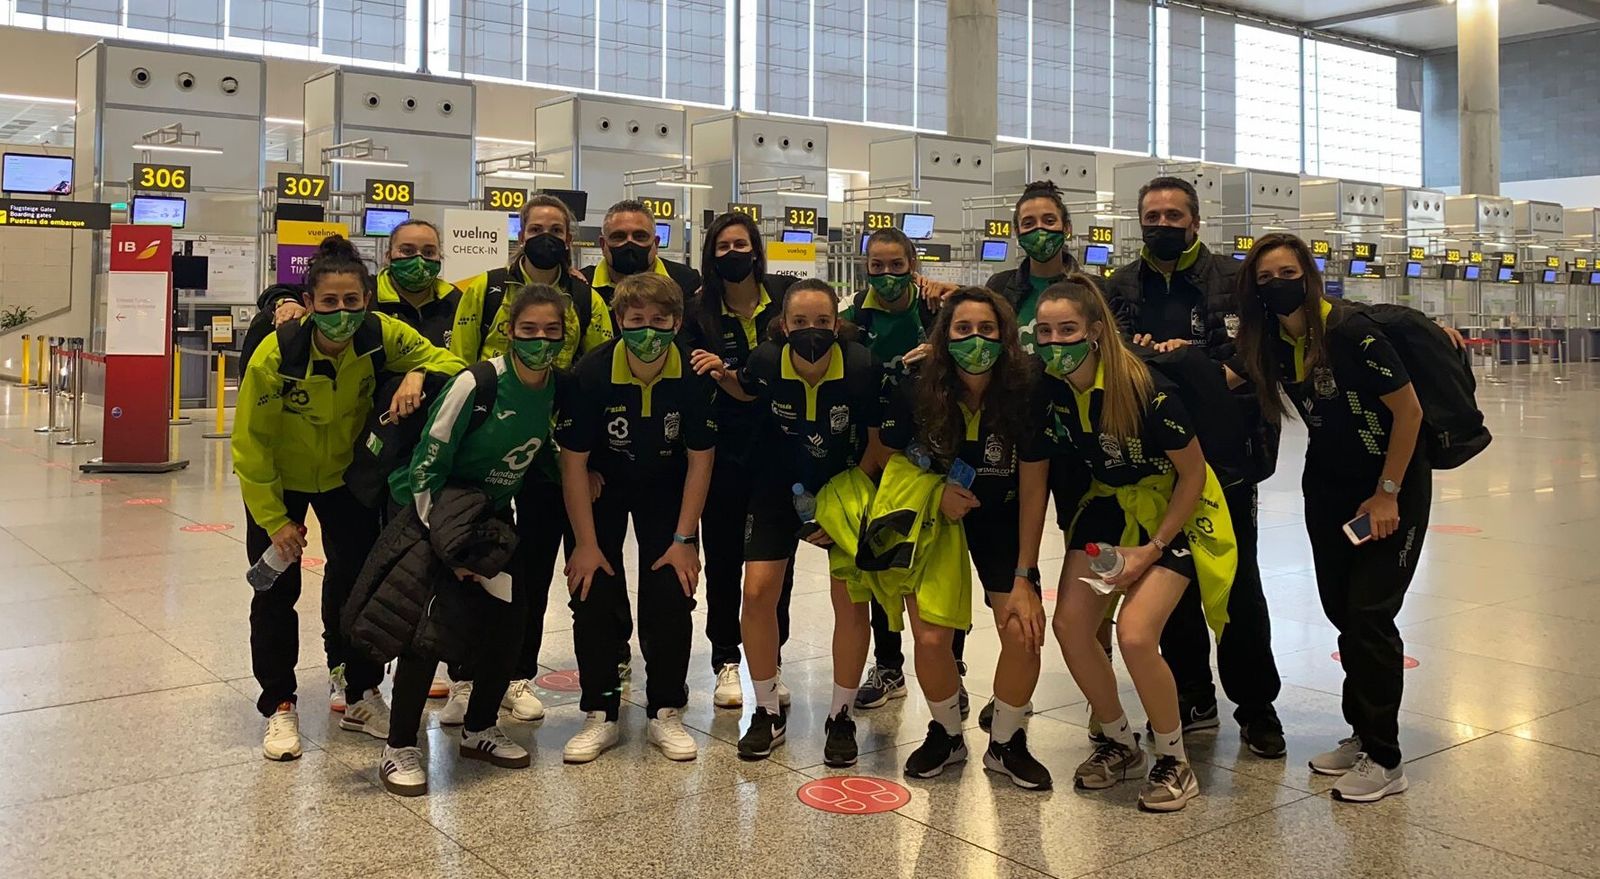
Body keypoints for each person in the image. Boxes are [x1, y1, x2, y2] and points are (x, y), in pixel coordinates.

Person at [234, 235, 467, 761]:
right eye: (330, 303)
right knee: (274, 591)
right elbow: (251, 445)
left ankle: (359, 691)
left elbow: (451, 365)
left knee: (357, 584)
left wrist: (417, 371)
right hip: (281, 482)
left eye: (352, 302)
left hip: (346, 480)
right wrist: (275, 521)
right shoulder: (279, 352)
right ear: (310, 303)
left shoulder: (380, 333)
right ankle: (280, 706)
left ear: (367, 300)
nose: (342, 314)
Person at [1230, 233, 1428, 804]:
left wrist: (1388, 492)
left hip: (1389, 490)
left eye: (1286, 272)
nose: (1276, 285)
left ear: (1308, 275)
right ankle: (1361, 734)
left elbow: (1408, 410)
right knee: (1342, 610)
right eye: (1264, 278)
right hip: (1328, 490)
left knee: (1370, 614)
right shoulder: (1270, 342)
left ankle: (1386, 759)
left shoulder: (1349, 331)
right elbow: (1222, 380)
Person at [1103, 175, 1285, 756]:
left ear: (1196, 223)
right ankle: (1193, 694)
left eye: (1174, 216)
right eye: (1151, 216)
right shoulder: (1121, 285)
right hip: (1158, 460)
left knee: (1236, 583)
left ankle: (1256, 706)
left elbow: (1263, 351)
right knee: (1169, 582)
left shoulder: (1234, 281)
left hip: (1227, 455)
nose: (1162, 225)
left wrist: (1194, 369)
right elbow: (1112, 353)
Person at [1036, 274, 1231, 813]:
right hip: (1106, 507)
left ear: (1096, 332)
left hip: (1174, 513)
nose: (1055, 342)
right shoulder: (1052, 387)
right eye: (1045, 332)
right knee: (1071, 626)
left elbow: (1193, 476)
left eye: (1068, 330)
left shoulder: (1147, 389)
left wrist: (1153, 549)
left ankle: (1174, 757)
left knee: (1138, 634)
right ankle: (1120, 742)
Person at [377, 283, 571, 796]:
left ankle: (481, 728)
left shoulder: (556, 387)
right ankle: (399, 746)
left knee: (510, 620)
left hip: (490, 518)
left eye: (552, 331)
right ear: (509, 331)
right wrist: (448, 548)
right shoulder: (477, 383)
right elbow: (426, 463)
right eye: (529, 330)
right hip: (432, 511)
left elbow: (541, 449)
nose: (540, 340)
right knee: (429, 631)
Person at [692, 280, 882, 763]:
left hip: (845, 486)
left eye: (822, 322)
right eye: (800, 322)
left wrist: (837, 508)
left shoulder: (861, 368)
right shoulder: (763, 360)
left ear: (837, 325)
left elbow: (880, 444)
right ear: (783, 325)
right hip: (778, 486)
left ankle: (840, 716)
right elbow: (747, 390)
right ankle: (768, 710)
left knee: (850, 600)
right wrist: (721, 375)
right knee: (756, 591)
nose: (811, 331)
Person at [445, 194, 615, 727]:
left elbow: (599, 375)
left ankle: (518, 676)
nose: (547, 236)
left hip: (556, 461)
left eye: (557, 230)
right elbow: (458, 362)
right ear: (520, 235)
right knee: (482, 568)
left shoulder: (588, 302)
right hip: (491, 454)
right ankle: (465, 677)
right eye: (537, 227)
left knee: (540, 570)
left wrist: (589, 459)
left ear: (570, 239)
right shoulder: (485, 289)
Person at [877, 286, 1055, 790]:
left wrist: (1025, 573)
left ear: (1004, 336)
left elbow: (1034, 486)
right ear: (943, 336)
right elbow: (891, 460)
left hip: (1003, 521)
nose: (975, 340)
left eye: (986, 330)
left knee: (1023, 632)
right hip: (938, 524)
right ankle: (947, 734)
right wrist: (936, 495)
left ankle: (1005, 742)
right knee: (931, 640)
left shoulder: (1027, 389)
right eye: (962, 330)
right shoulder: (916, 387)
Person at [559, 273, 717, 764]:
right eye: (637, 321)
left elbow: (701, 459)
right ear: (619, 321)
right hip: (602, 484)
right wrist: (585, 544)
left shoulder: (691, 375)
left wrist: (685, 538)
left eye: (659, 321)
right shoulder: (593, 372)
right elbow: (573, 462)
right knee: (592, 590)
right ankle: (600, 712)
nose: (648, 330)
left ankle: (666, 708)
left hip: (668, 487)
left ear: (676, 322)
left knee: (672, 589)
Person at [841, 228, 968, 716]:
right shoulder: (853, 317)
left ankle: (952, 667)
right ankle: (889, 666)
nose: (888, 275)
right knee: (884, 558)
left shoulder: (937, 312)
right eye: (878, 266)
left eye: (897, 266)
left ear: (914, 266)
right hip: (880, 453)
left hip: (942, 454)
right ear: (865, 268)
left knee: (945, 567)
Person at [680, 211, 798, 710]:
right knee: (726, 559)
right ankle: (727, 660)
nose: (733, 254)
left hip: (780, 448)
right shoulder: (698, 311)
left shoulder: (788, 297)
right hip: (723, 451)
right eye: (723, 247)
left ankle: (771, 658)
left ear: (757, 249)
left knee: (776, 564)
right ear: (711, 255)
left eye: (741, 244)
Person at [984, 180, 1083, 355]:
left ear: (1067, 228)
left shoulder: (1092, 289)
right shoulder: (999, 287)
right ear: (1017, 232)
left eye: (1049, 221)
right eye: (1028, 223)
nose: (1040, 229)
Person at [371, 219, 476, 361]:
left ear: (440, 257)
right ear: (388, 256)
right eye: (407, 251)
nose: (419, 260)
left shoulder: (456, 302)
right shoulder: (366, 297)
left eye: (428, 252)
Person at [583, 199, 701, 306]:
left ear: (656, 243)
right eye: (619, 236)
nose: (629, 243)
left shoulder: (687, 282)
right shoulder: (582, 286)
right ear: (603, 244)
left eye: (640, 236)